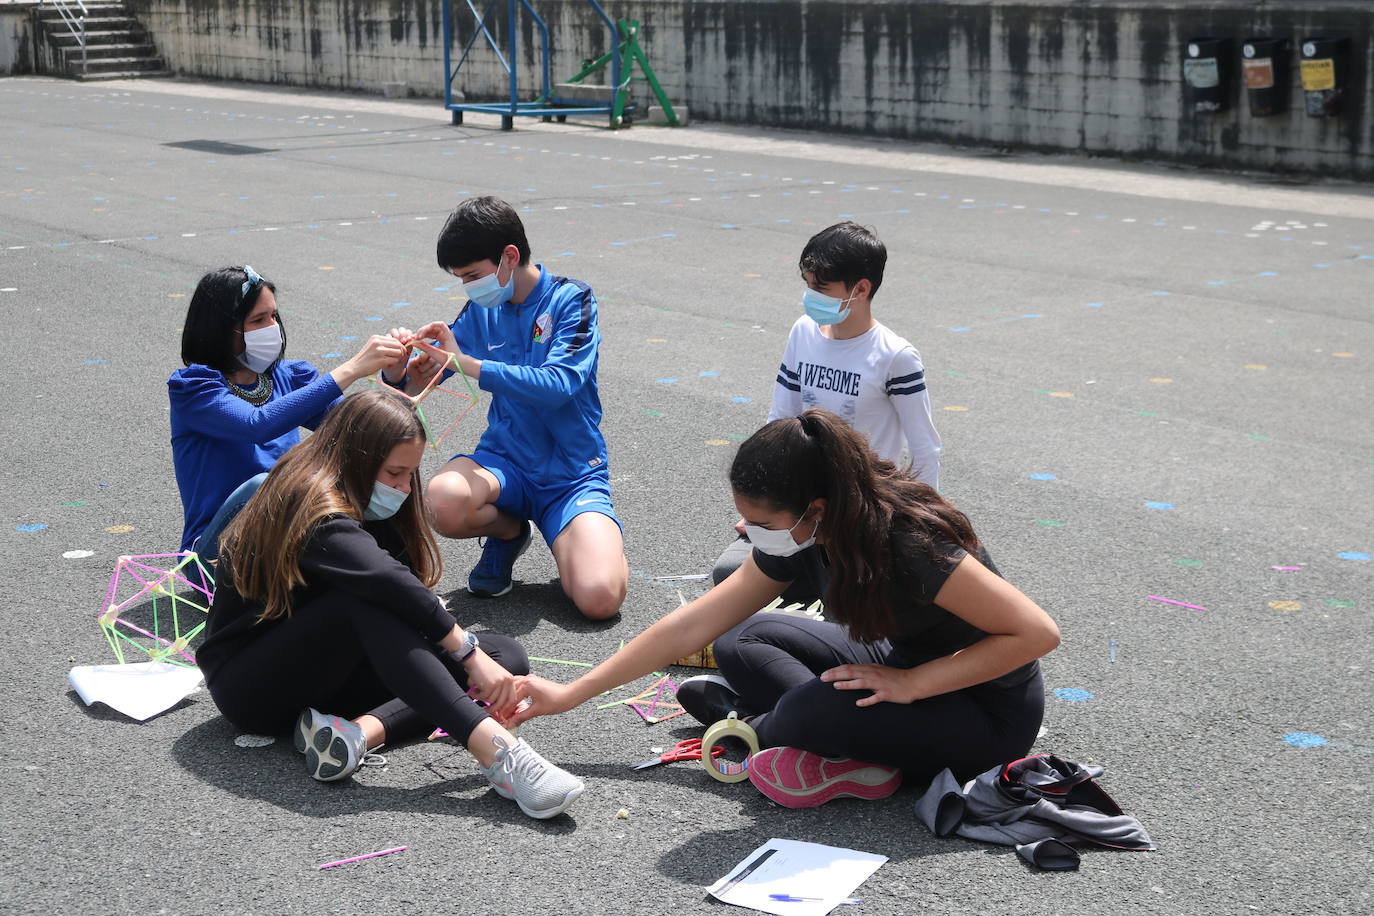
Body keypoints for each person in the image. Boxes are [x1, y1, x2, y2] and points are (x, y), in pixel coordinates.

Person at [510, 408, 1058, 809]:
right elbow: (692, 625)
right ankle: (819, 740)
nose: (749, 534)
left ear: (816, 509)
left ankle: (775, 727)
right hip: (902, 662)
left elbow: (1035, 633)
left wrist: (914, 685)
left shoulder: (910, 545)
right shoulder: (805, 535)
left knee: (807, 711)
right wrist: (569, 696)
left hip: (986, 711)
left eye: (763, 525)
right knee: (739, 640)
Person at [198, 389, 584, 820]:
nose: (403, 488)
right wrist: (464, 651)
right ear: (354, 459)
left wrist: (472, 653)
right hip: (252, 688)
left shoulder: (369, 498)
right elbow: (383, 580)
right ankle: (499, 753)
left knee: (505, 656)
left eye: (410, 475)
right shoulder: (307, 502)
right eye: (394, 474)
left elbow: (401, 590)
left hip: (327, 678)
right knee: (368, 604)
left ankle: (356, 733)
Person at [397, 196, 627, 620]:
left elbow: (560, 385)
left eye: (473, 275)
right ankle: (508, 532)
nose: (468, 287)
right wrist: (399, 370)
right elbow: (421, 382)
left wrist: (464, 362)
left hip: (571, 473)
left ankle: (570, 536)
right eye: (460, 279)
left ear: (509, 257)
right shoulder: (480, 311)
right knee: (441, 501)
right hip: (505, 465)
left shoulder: (571, 300)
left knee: (599, 599)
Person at [710, 222, 942, 600]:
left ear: (861, 289)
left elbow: (924, 449)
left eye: (820, 287)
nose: (809, 295)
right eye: (807, 284)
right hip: (802, 508)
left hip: (860, 510)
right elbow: (780, 420)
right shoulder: (803, 332)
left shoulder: (895, 357)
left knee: (849, 606)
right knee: (728, 572)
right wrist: (766, 511)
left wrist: (922, 530)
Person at [169, 265, 406, 558]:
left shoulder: (289, 376)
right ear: (219, 329)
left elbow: (362, 434)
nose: (272, 327)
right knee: (264, 485)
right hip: (217, 555)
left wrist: (399, 379)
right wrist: (351, 369)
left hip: (286, 538)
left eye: (273, 316)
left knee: (383, 466)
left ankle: (395, 573)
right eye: (258, 320)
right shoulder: (194, 388)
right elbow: (257, 424)